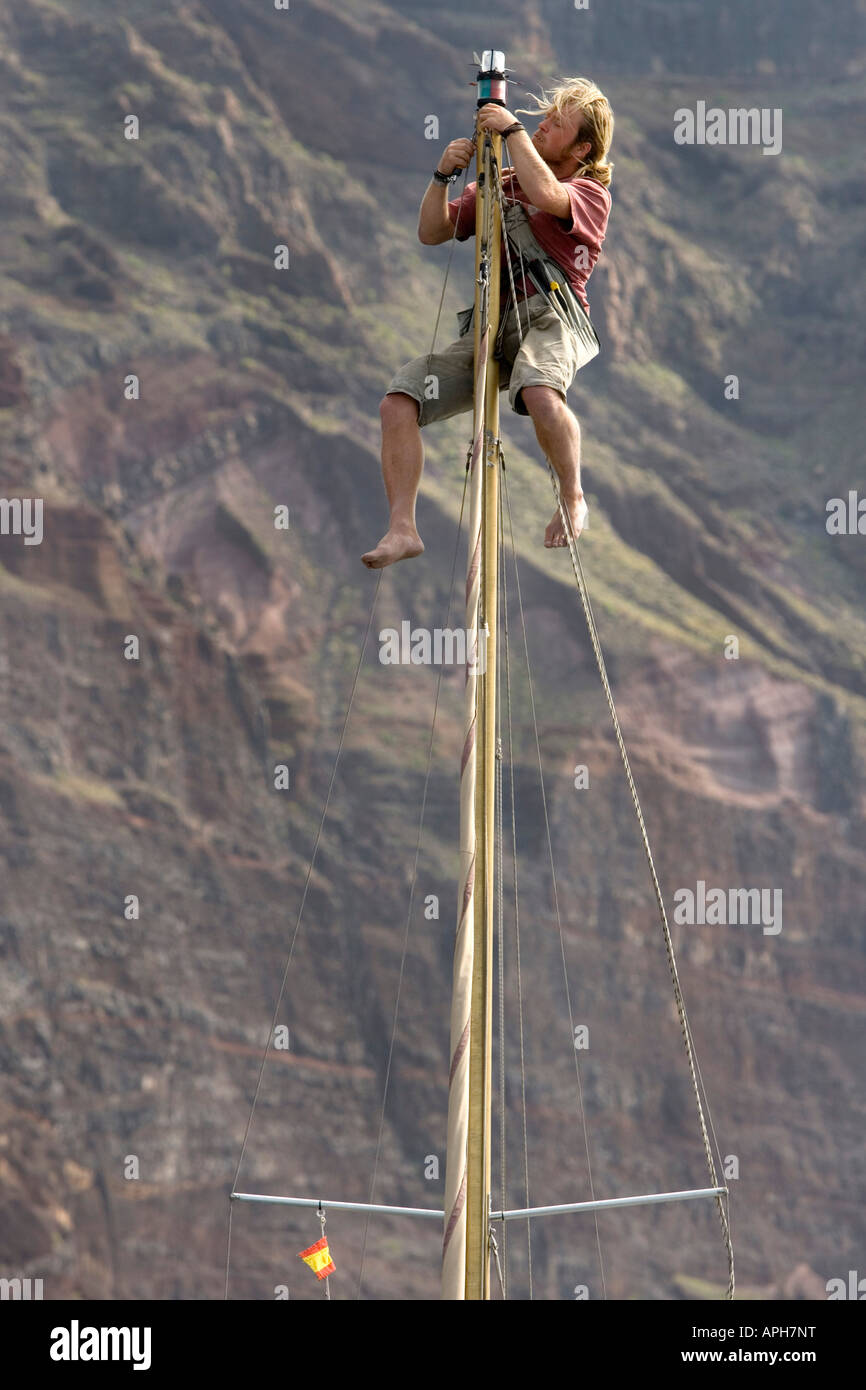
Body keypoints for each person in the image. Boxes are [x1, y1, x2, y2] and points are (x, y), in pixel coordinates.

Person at [362, 77, 614, 570]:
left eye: (555, 124)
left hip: (552, 317)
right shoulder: (499, 185)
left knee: (541, 391)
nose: (542, 127)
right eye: (541, 120)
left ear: (583, 147)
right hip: (493, 329)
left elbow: (546, 193)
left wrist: (512, 129)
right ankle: (402, 528)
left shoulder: (588, 192)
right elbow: (432, 231)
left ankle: (572, 496)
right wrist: (442, 177)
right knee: (399, 401)